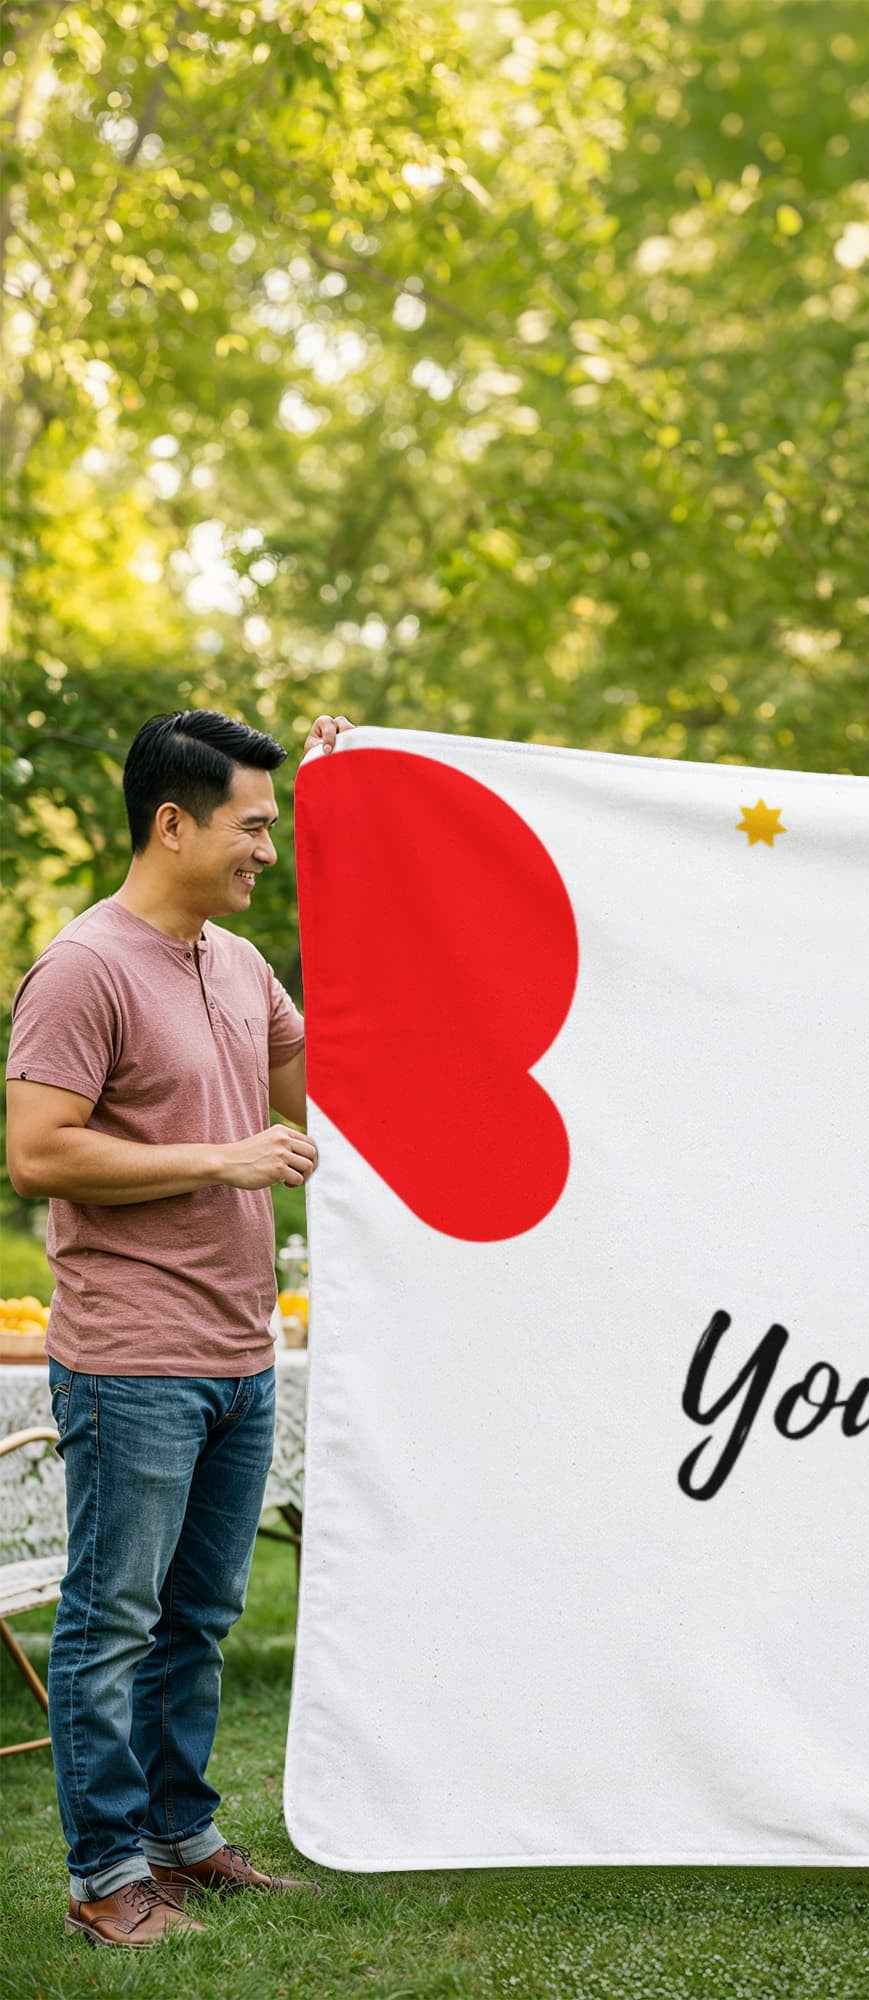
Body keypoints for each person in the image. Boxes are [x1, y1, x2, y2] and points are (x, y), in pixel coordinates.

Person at [4, 706, 353, 1948]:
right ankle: (105, 1875)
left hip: (238, 1352)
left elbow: (338, 1087)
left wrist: (372, 802)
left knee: (199, 1619)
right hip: (133, 1356)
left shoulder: (242, 964)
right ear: (173, 821)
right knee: (113, 1623)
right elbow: (37, 1149)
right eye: (255, 823)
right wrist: (225, 1159)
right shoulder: (83, 965)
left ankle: (180, 1837)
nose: (269, 846)